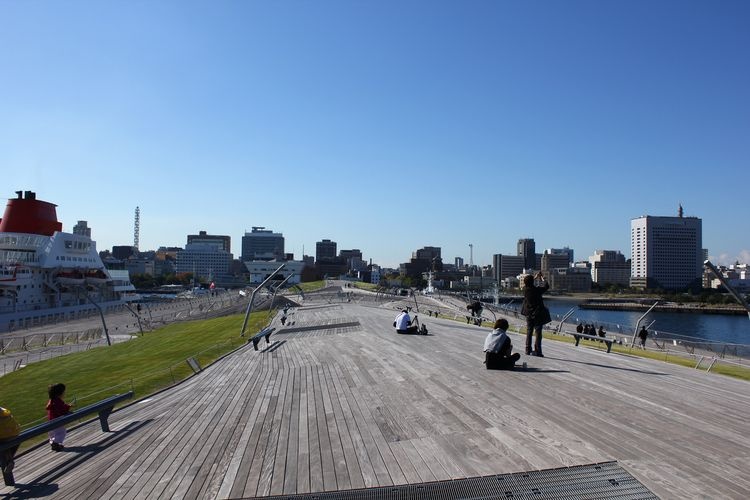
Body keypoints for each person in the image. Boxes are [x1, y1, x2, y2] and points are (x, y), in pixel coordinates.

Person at [521, 272, 550, 357]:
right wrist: (542, 278)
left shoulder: (525, 289)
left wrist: (535, 277)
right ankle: (538, 351)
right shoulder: (537, 290)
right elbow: (546, 286)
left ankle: (527, 349)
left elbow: (527, 282)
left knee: (529, 331)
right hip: (537, 314)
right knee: (538, 333)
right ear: (532, 282)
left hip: (528, 314)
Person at [46, 383, 72, 451]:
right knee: (61, 432)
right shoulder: (57, 401)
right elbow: (62, 410)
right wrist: (69, 407)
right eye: (63, 392)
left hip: (50, 420)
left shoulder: (51, 400)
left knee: (52, 433)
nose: (64, 393)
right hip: (56, 420)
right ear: (59, 394)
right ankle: (55, 443)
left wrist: (66, 406)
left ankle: (53, 443)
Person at [0, 406, 20, 485]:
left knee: (3, 441)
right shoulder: (3, 410)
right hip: (14, 433)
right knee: (4, 443)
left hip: (4, 436)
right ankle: (9, 460)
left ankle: (6, 461)